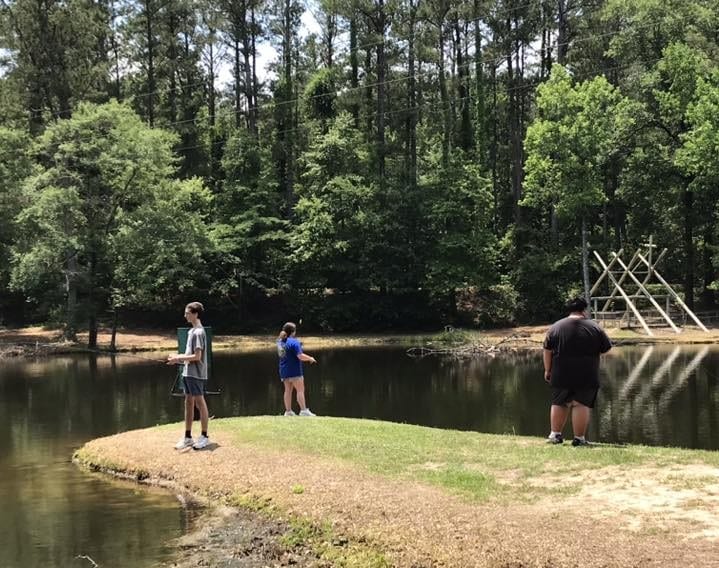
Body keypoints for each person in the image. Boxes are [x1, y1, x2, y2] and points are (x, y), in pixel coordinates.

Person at [543, 297, 612, 446]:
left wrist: (548, 369)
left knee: (559, 402)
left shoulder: (556, 327)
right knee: (581, 404)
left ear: (569, 310)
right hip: (587, 372)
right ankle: (579, 438)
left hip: (560, 372)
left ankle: (555, 435)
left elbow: (547, 350)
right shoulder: (595, 327)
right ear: (584, 310)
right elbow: (605, 348)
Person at [168, 302, 210, 450]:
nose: (185, 315)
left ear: (195, 314)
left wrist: (178, 357)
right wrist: (177, 359)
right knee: (188, 403)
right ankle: (187, 437)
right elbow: (189, 355)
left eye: (187, 313)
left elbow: (197, 357)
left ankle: (204, 436)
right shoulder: (191, 331)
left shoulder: (198, 332)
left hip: (196, 374)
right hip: (187, 373)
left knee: (200, 403)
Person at [277, 322, 317, 416]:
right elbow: (300, 356)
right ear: (293, 332)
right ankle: (303, 410)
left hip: (284, 370)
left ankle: (288, 411)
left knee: (287, 390)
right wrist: (310, 358)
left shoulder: (279, 342)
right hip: (294, 370)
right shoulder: (295, 342)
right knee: (300, 390)